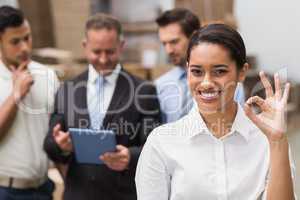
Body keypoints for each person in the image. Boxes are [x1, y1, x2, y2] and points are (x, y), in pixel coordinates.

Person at [135, 24, 296, 200]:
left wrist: (277, 142)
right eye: (196, 71)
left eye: (219, 71)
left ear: (242, 72)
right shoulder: (161, 143)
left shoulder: (267, 139)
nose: (206, 83)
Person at [44, 13, 161, 200]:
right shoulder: (67, 90)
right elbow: (49, 144)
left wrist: (130, 156)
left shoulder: (144, 90)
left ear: (121, 46)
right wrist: (61, 145)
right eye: (97, 52)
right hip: (79, 193)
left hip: (124, 193)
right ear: (84, 46)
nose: (104, 59)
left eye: (110, 51)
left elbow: (154, 145)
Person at [0, 6, 59, 200]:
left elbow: (55, 135)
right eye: (15, 42)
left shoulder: (48, 76)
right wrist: (17, 94)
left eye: (27, 38)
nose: (24, 47)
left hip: (44, 189)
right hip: (6, 191)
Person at [155, 8, 246, 123]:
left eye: (174, 42)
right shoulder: (161, 85)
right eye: (164, 43)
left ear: (194, 36)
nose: (168, 50)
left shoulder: (231, 84)